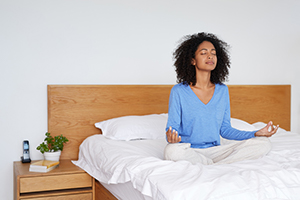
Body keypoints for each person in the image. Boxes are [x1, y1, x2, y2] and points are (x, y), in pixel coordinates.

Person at [164, 32, 279, 165]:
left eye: (213, 53)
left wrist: (255, 133)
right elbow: (172, 129)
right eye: (203, 53)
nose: (210, 56)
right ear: (192, 60)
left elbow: (225, 130)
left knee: (264, 143)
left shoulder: (222, 90)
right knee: (171, 151)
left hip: (216, 150)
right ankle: (216, 164)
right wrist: (171, 138)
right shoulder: (179, 91)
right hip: (189, 150)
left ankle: (212, 165)